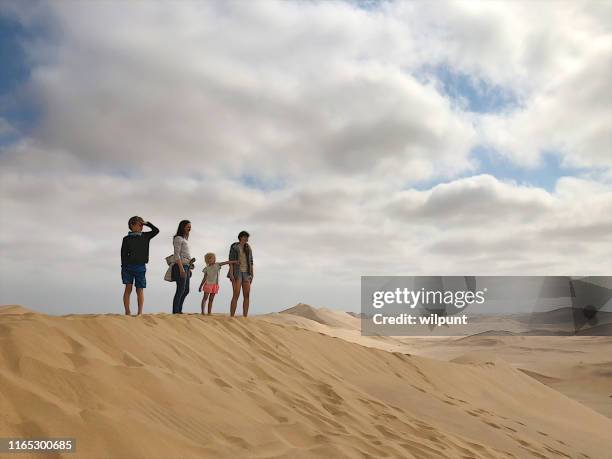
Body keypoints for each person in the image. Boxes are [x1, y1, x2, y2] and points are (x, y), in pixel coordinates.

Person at [120, 216, 159, 315]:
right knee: (128, 288)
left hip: (141, 266)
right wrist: (123, 266)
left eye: (142, 225)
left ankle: (140, 312)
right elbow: (123, 254)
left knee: (139, 289)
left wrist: (147, 223)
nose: (141, 227)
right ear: (132, 225)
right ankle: (127, 311)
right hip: (127, 267)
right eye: (139, 224)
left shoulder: (145, 236)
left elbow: (156, 230)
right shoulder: (126, 239)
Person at [227, 230, 254, 317]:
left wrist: (252, 274)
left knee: (247, 295)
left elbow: (251, 261)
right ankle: (231, 316)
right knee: (236, 294)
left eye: (247, 237)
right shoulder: (234, 247)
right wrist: (231, 274)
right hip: (236, 272)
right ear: (241, 237)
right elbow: (230, 261)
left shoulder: (248, 248)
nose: (246, 239)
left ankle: (245, 317)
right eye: (245, 237)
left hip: (247, 273)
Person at [172, 220, 193, 314]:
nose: (190, 228)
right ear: (183, 227)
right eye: (188, 226)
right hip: (180, 266)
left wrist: (190, 266)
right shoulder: (178, 238)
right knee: (180, 289)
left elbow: (186, 254)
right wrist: (181, 268)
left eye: (190, 226)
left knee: (186, 290)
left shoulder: (185, 239)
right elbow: (176, 255)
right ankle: (176, 312)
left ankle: (179, 310)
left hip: (187, 266)